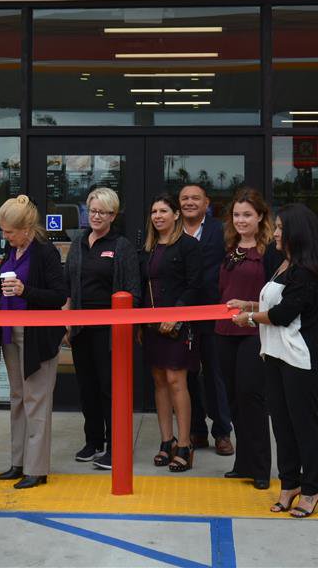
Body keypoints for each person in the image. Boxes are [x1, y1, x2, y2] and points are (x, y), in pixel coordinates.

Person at [231, 203, 318, 518]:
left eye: (279, 228)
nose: (274, 233)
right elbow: (274, 300)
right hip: (274, 355)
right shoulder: (284, 263)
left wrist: (248, 318)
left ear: (296, 233)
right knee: (282, 424)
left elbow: (283, 313)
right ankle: (289, 484)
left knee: (303, 424)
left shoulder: (307, 271)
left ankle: (312, 487)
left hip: (301, 357)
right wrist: (248, 303)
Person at [0, 195, 68, 490]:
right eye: (2, 230)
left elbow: (58, 295)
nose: (4, 236)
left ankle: (36, 468)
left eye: (9, 231)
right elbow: (6, 281)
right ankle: (19, 462)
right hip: (9, 333)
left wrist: (25, 290)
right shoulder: (12, 251)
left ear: (27, 228)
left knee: (36, 400)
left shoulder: (46, 252)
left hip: (36, 336)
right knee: (17, 398)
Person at [63, 187, 140, 471]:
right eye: (92, 210)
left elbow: (133, 292)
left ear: (113, 215)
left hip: (110, 332)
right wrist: (66, 321)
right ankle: (93, 440)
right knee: (88, 388)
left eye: (103, 212)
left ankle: (114, 446)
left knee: (111, 390)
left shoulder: (122, 246)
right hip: (82, 328)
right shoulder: (79, 243)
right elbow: (67, 285)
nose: (96, 216)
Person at [215, 188, 281, 489]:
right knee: (233, 400)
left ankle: (260, 467)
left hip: (255, 331)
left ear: (260, 217)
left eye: (247, 215)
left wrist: (252, 310)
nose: (241, 220)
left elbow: (277, 298)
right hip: (224, 331)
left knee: (251, 397)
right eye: (237, 215)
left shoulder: (270, 252)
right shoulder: (229, 246)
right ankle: (243, 463)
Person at [140, 191, 202, 473]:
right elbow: (144, 288)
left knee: (177, 380)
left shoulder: (188, 246)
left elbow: (195, 285)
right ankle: (167, 441)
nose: (158, 216)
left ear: (176, 215)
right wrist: (142, 324)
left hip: (180, 325)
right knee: (159, 381)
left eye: (163, 211)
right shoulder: (149, 248)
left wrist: (176, 314)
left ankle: (185, 445)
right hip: (152, 326)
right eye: (154, 212)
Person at [178, 184, 233, 456]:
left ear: (206, 203)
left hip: (214, 314)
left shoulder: (221, 231)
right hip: (181, 314)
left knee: (215, 374)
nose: (190, 202)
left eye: (195, 198)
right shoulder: (172, 230)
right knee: (187, 374)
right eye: (185, 198)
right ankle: (197, 431)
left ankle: (222, 432)